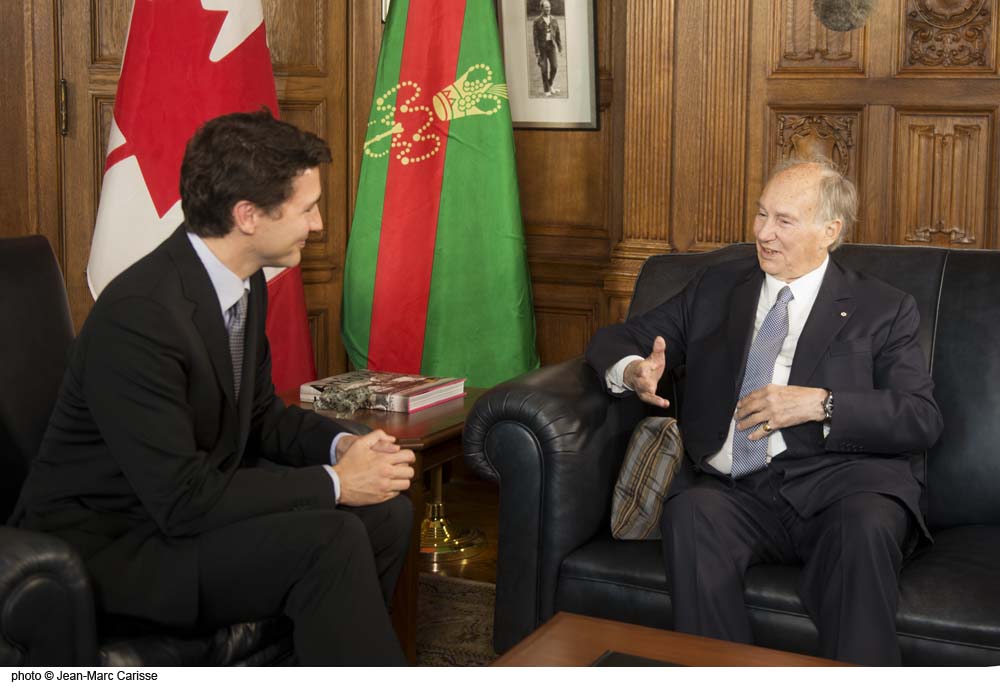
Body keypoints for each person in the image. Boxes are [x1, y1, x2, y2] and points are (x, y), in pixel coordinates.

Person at [14, 110, 416, 666]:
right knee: (332, 540)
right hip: (117, 546)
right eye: (307, 208)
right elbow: (181, 499)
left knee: (385, 514)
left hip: (182, 517)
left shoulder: (242, 279)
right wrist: (334, 484)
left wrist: (339, 447)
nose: (318, 224)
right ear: (247, 215)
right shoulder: (141, 316)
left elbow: (259, 417)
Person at [586, 157, 943, 665]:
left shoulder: (883, 307)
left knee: (865, 527)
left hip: (841, 487)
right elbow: (620, 338)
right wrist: (633, 370)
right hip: (739, 492)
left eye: (784, 221)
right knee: (690, 513)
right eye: (761, 215)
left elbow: (919, 417)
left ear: (830, 231)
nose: (763, 233)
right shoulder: (716, 288)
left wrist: (822, 404)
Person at [532, 1, 562, 97]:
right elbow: (535, 38)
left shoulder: (554, 19)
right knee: (544, 69)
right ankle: (547, 90)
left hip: (551, 46)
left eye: (549, 7)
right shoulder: (536, 21)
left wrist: (560, 47)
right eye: (546, 7)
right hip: (542, 48)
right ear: (541, 8)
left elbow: (557, 34)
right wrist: (537, 52)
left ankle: (550, 84)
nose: (548, 9)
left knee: (555, 67)